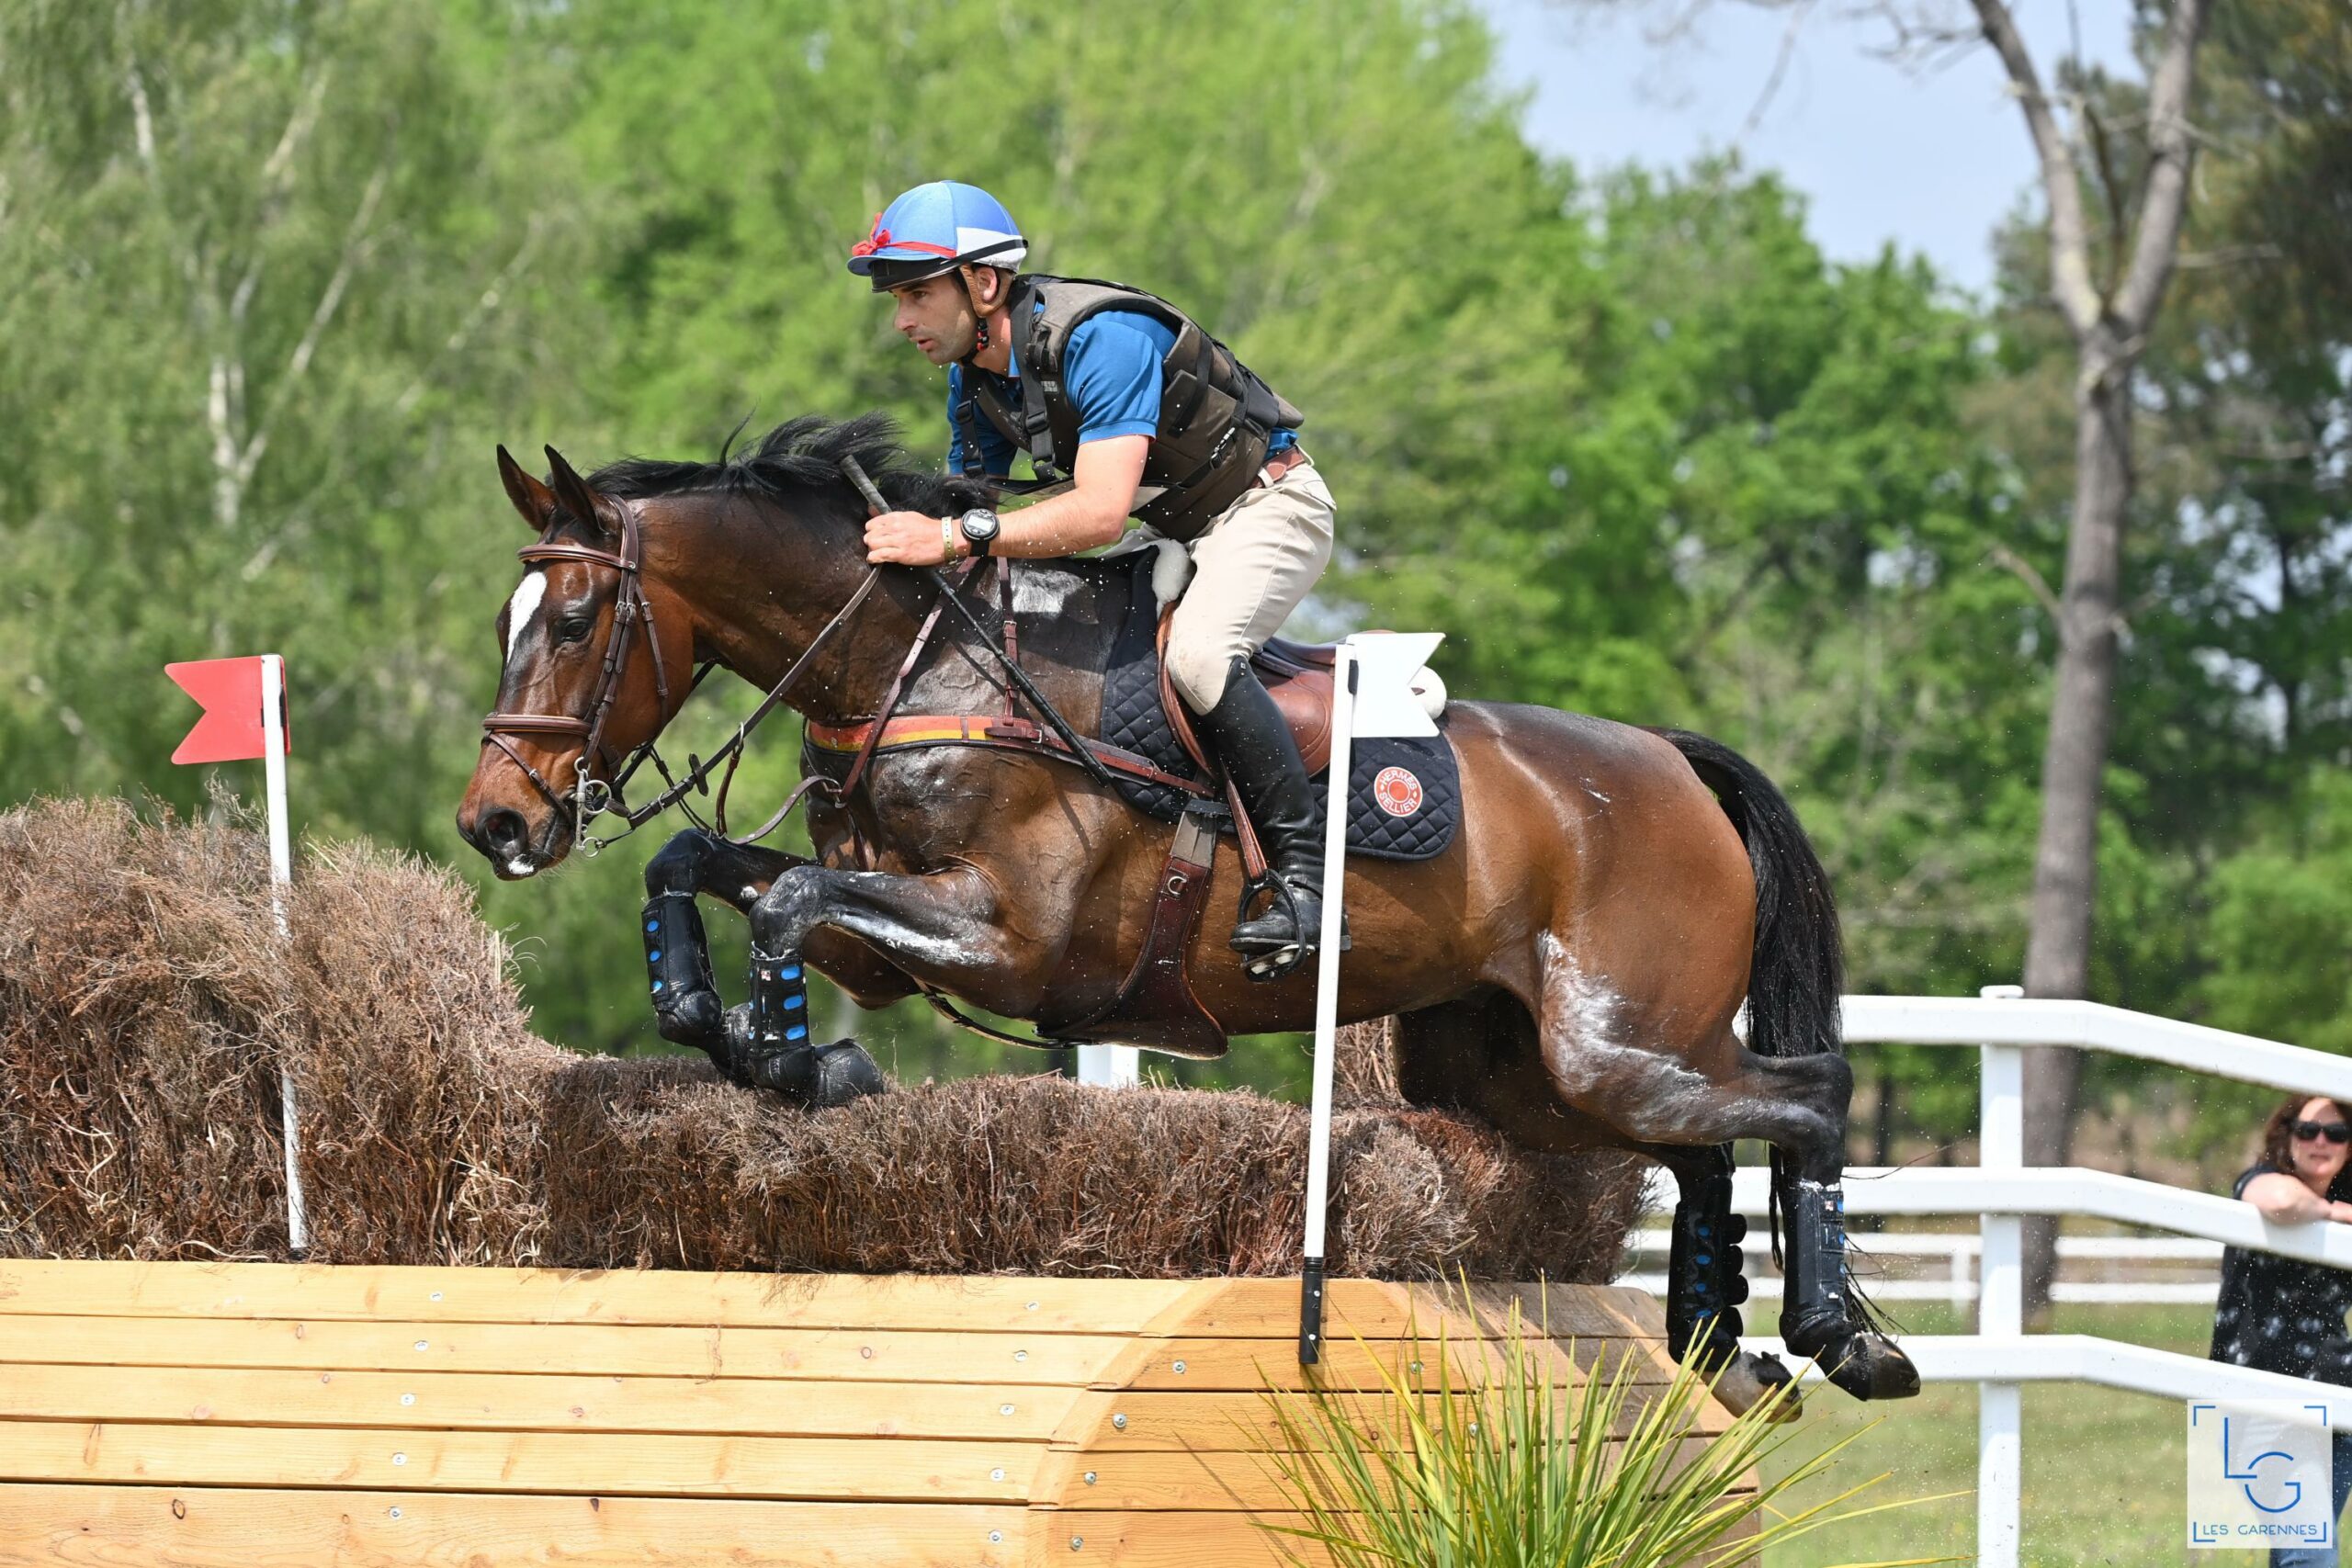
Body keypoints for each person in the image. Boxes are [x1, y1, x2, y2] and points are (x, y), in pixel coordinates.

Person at [846, 180, 1337, 974]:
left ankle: (1304, 886)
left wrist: (949, 535)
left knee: (1200, 659)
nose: (901, 320)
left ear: (983, 283)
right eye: (896, 299)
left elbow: (1098, 512)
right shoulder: (974, 378)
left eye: (914, 294)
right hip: (1176, 530)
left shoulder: (1100, 339)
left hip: (1268, 510)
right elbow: (974, 513)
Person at [2213, 1096, 2352, 1566]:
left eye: (2336, 1133)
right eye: (2307, 1129)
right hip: (2264, 1401)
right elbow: (2280, 1201)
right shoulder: (2260, 1181)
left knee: (2300, 1554)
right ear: (2285, 1136)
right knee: (2311, 1556)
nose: (2320, 1141)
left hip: (2338, 1402)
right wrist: (2335, 1213)